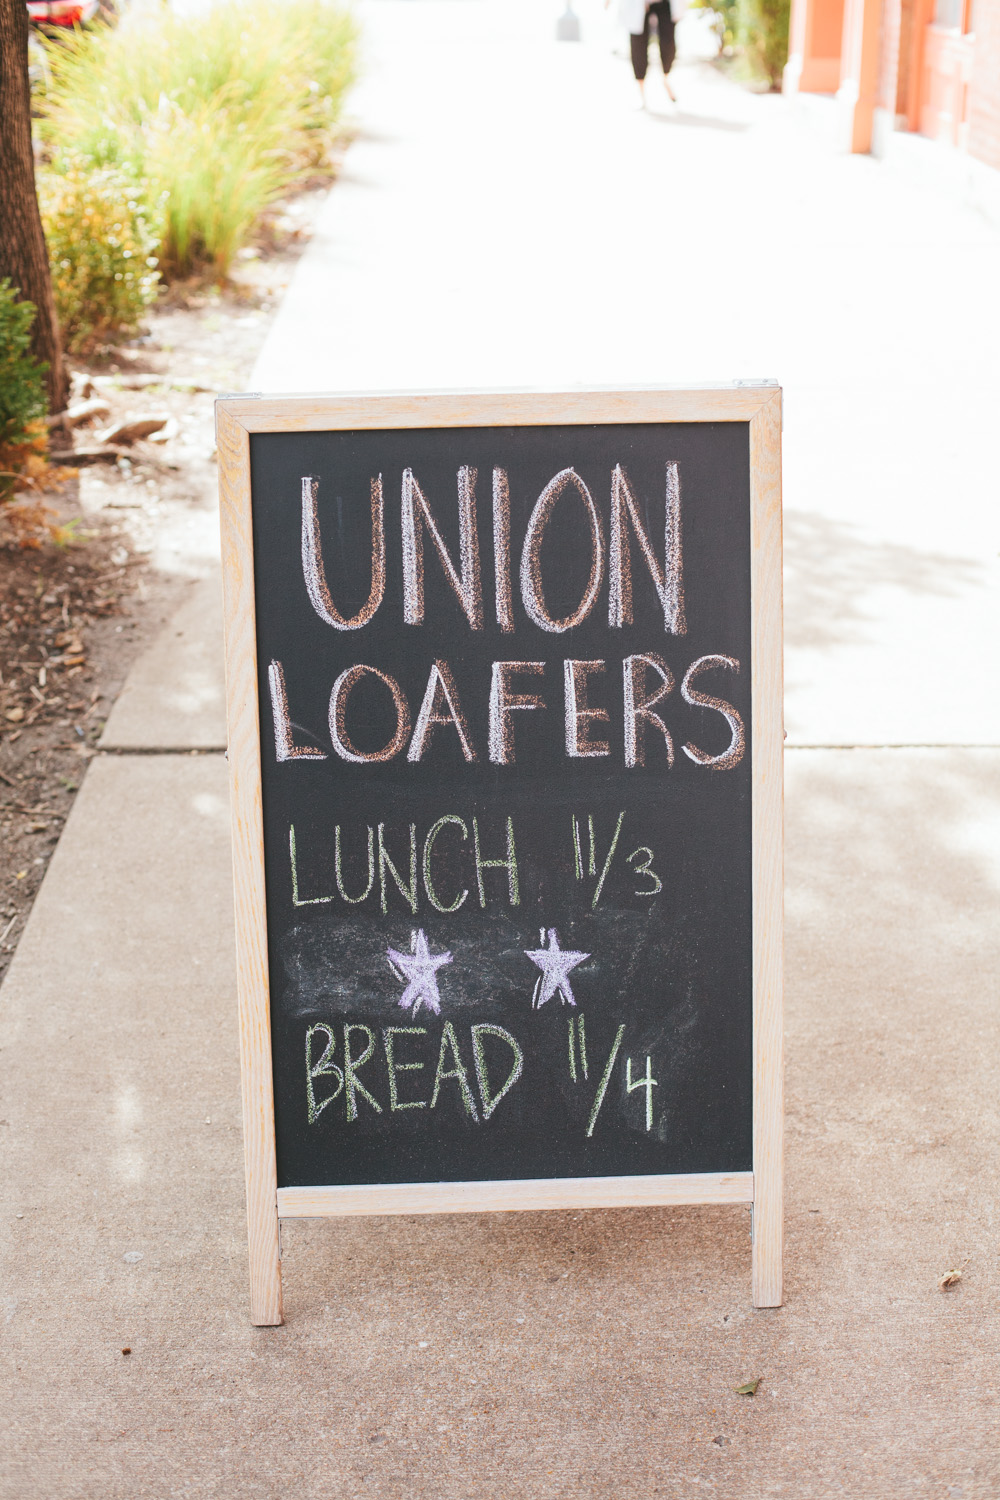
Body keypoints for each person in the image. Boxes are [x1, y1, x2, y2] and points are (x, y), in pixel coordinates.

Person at [613, 0, 678, 107]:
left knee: (668, 43)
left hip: (664, 3)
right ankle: (641, 93)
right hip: (638, 4)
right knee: (638, 46)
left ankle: (666, 79)